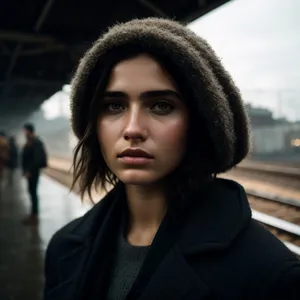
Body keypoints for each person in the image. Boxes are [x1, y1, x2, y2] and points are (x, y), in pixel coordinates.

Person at [43, 18, 300, 299]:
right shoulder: (63, 248)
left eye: (161, 106)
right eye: (114, 106)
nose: (132, 129)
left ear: (202, 123)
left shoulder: (270, 273)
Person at [21, 123, 48, 225]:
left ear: (29, 131)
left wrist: (29, 171)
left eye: (25, 131)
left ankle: (34, 215)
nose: (24, 133)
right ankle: (33, 214)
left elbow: (37, 159)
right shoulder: (31, 142)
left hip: (33, 173)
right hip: (30, 173)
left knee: (33, 193)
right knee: (31, 192)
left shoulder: (36, 142)